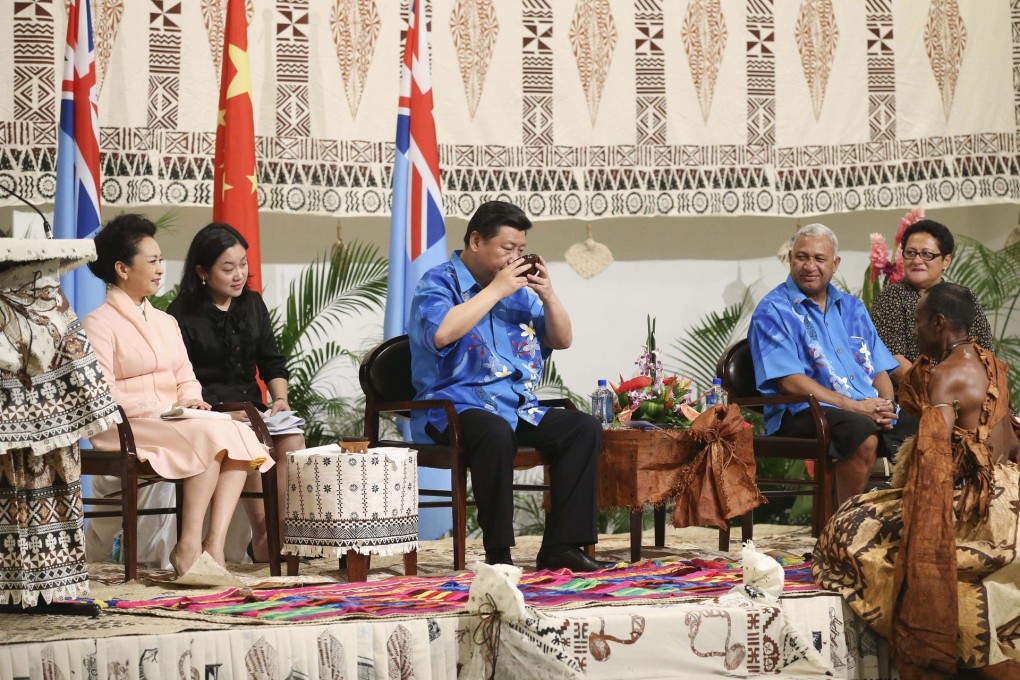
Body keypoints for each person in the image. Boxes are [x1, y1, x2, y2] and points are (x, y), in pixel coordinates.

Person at [813, 282, 1020, 679]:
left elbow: (933, 459)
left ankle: (936, 643)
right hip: (1009, 487)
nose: (914, 330)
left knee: (848, 527)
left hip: (972, 501)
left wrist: (920, 529)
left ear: (939, 323)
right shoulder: (989, 359)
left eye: (919, 321)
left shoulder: (945, 375)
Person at [408, 200, 608, 572]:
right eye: (507, 249)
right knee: (495, 432)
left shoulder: (518, 292)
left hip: (516, 406)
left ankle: (562, 546)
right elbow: (441, 333)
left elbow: (562, 339)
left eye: (520, 249)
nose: (515, 257)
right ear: (476, 241)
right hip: (453, 408)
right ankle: (498, 552)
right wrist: (496, 291)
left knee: (582, 428)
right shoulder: (438, 282)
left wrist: (548, 294)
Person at [83, 214, 273, 576]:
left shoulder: (165, 322)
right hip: (128, 426)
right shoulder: (99, 323)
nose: (160, 269)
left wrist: (189, 401)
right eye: (151, 261)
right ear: (122, 268)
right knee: (210, 433)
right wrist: (164, 407)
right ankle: (187, 547)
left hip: (171, 420)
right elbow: (102, 395)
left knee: (237, 432)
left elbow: (186, 378)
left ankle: (213, 547)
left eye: (160, 260)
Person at [748, 223, 918, 506]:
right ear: (791, 258)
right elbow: (789, 381)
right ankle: (841, 528)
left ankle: (903, 524)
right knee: (861, 433)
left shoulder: (853, 308)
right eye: (802, 257)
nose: (809, 266)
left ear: (835, 264)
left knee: (926, 429)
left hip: (861, 407)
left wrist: (885, 405)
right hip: (802, 410)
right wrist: (854, 406)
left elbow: (879, 368)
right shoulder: (774, 310)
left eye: (819, 258)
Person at [167, 223, 302, 563]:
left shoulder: (252, 304)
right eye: (228, 268)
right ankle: (260, 539)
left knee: (292, 437)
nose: (239, 274)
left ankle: (275, 533)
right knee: (248, 436)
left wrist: (280, 398)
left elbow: (272, 361)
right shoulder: (181, 313)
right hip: (210, 412)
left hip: (253, 409)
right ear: (202, 271)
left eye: (243, 264)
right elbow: (180, 378)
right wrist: (221, 413)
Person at [871, 219, 994, 379]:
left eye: (926, 254)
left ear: (946, 261)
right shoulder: (892, 298)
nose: (917, 260)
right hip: (915, 394)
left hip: (967, 387)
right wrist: (935, 391)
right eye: (910, 253)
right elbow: (894, 360)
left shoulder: (961, 297)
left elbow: (985, 350)